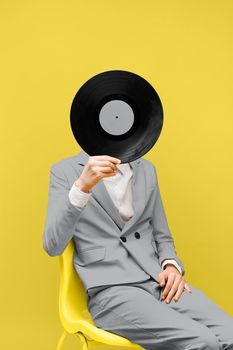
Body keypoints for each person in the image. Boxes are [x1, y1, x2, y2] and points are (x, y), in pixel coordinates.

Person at [43, 151, 233, 350]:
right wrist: (82, 187)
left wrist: (171, 266)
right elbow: (52, 245)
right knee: (202, 342)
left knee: (230, 334)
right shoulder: (64, 171)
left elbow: (162, 235)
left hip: (159, 282)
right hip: (111, 290)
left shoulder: (146, 169)